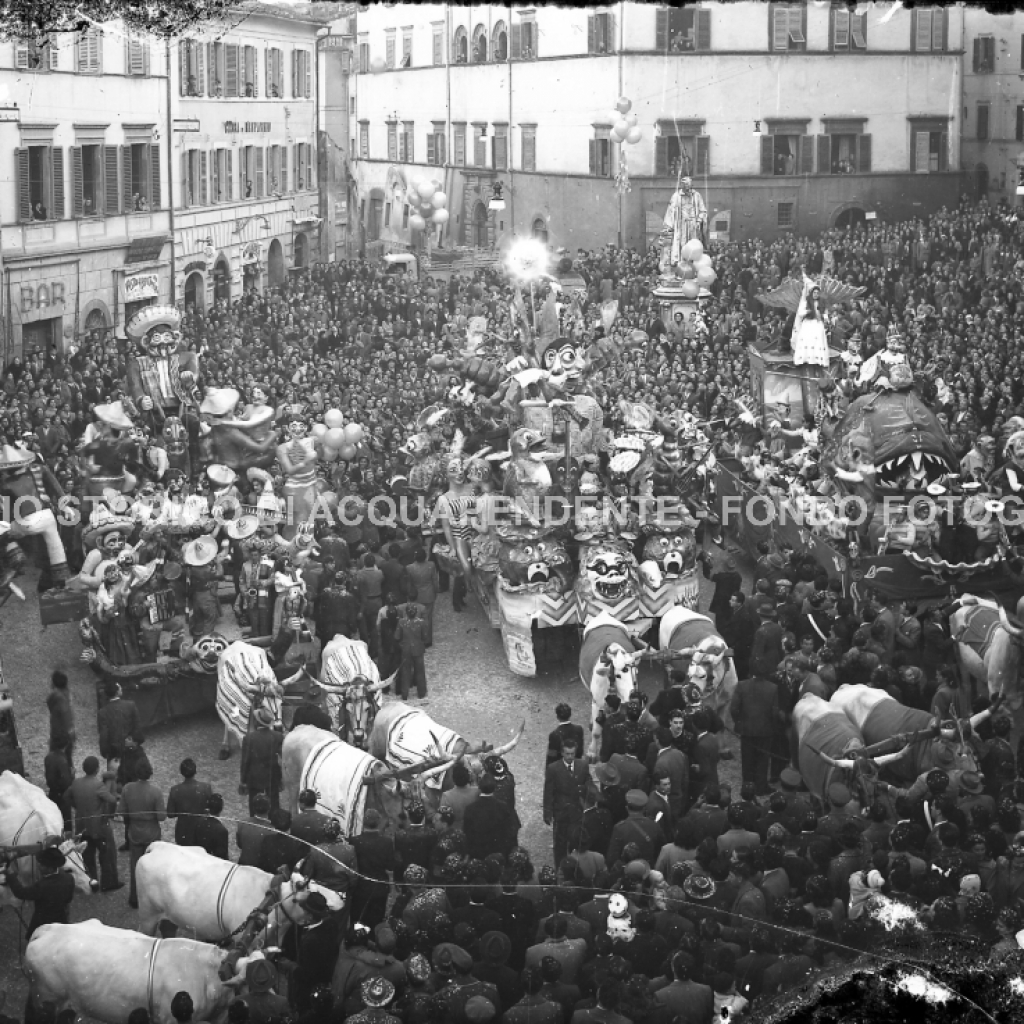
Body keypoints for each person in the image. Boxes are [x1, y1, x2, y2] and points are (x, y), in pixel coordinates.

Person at [116, 756, 166, 909]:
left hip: (135, 832)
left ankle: (134, 898)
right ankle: (153, 899)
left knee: (135, 865)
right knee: (153, 867)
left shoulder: (127, 789)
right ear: (150, 773)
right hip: (152, 833)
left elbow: (121, 811)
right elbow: (162, 817)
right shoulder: (156, 791)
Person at [67, 755, 121, 891]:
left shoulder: (76, 783)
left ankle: (92, 880)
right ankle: (108, 883)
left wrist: (77, 807)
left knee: (87, 854)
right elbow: (112, 800)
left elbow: (66, 797)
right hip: (98, 826)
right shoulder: (98, 785)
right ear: (97, 769)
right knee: (106, 854)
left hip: (82, 824)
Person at [543, 738, 594, 870]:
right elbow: (548, 791)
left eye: (572, 753)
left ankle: (574, 868)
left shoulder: (582, 765)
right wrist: (547, 812)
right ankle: (560, 869)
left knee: (575, 840)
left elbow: (588, 780)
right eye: (567, 754)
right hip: (561, 812)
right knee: (560, 844)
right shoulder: (553, 769)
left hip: (577, 811)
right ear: (562, 753)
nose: (570, 757)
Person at [4, 846, 76, 939]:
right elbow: (68, 899)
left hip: (43, 925)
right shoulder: (69, 878)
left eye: (41, 865)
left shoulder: (43, 886)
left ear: (50, 869)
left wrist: (10, 874)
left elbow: (20, 893)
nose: (38, 866)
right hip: (62, 921)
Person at [730, 666, 781, 796]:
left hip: (746, 729)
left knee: (747, 758)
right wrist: (773, 726)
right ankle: (761, 786)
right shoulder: (773, 687)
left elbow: (734, 708)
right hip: (765, 729)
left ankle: (747, 785)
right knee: (763, 760)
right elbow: (775, 712)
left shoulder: (741, 685)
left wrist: (739, 722)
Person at [349, 808, 396, 929]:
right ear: (379, 822)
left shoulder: (354, 841)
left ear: (363, 822)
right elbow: (390, 866)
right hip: (379, 888)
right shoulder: (387, 842)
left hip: (360, 888)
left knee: (358, 921)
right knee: (376, 922)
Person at [463, 773, 521, 860]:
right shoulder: (503, 807)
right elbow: (507, 832)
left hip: (478, 853)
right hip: (497, 853)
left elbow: (467, 833)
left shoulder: (470, 809)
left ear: (479, 787)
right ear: (494, 788)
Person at [240, 706, 284, 814]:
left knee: (254, 804)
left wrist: (243, 781)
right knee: (274, 804)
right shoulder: (278, 737)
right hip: (273, 777)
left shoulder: (249, 738)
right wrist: (281, 779)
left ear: (256, 722)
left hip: (255, 778)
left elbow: (245, 761)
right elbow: (281, 760)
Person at [166, 757, 213, 847]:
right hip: (201, 829)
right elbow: (211, 809)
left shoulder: (175, 790)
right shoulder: (206, 788)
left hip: (183, 830)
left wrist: (182, 811)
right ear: (195, 771)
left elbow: (170, 813)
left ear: (181, 772)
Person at [97, 681, 141, 769]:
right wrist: (137, 742)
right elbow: (137, 726)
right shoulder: (130, 705)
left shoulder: (102, 712)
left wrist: (104, 752)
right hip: (129, 746)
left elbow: (104, 734)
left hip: (113, 751)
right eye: (120, 687)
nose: (121, 688)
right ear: (117, 692)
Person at [395, 602, 428, 699]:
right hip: (418, 649)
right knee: (420, 671)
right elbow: (425, 637)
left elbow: (397, 636)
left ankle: (404, 694)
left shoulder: (401, 622)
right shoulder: (421, 623)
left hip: (406, 650)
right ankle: (421, 692)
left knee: (405, 671)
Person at [405, 547, 439, 646]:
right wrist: (435, 592)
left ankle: (417, 638)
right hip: (429, 594)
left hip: (416, 595)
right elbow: (435, 581)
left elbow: (409, 583)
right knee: (427, 618)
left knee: (415, 617)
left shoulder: (409, 568)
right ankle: (427, 640)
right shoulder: (431, 565)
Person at [46, 670, 75, 768]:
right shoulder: (62, 698)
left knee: (57, 757)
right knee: (65, 758)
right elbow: (66, 716)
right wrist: (71, 732)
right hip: (62, 735)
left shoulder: (56, 697)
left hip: (57, 732)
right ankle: (66, 777)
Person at [236, 793, 272, 868]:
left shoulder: (242, 823)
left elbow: (240, 845)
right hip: (260, 869)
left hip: (243, 865)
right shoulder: (272, 830)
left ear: (253, 808)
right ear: (269, 808)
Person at [193, 793, 230, 860]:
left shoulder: (198, 822)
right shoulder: (222, 830)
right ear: (221, 809)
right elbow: (222, 856)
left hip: (198, 859)